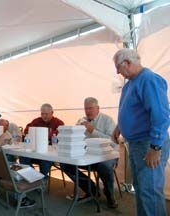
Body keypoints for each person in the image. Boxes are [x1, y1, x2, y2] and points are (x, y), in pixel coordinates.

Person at [112, 48, 170, 216]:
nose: (117, 72)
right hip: (137, 144)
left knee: (149, 191)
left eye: (118, 68)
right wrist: (119, 126)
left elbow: (160, 115)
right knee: (142, 189)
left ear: (128, 63)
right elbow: (130, 110)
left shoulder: (149, 80)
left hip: (148, 144)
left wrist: (155, 147)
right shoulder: (130, 84)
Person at [61, 97, 118, 208]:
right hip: (88, 156)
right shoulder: (81, 121)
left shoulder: (108, 120)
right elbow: (76, 139)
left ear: (98, 108)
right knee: (65, 164)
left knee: (104, 166)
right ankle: (91, 189)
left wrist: (92, 130)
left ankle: (109, 194)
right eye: (86, 109)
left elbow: (112, 142)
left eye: (90, 108)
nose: (88, 111)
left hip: (107, 155)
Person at [20, 103, 64, 176]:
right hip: (35, 150)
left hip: (50, 152)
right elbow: (27, 130)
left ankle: (42, 178)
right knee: (23, 157)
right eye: (42, 114)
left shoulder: (58, 123)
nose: (44, 116)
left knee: (46, 159)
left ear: (52, 113)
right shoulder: (36, 121)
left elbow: (61, 134)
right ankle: (34, 176)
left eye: (46, 114)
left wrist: (42, 134)